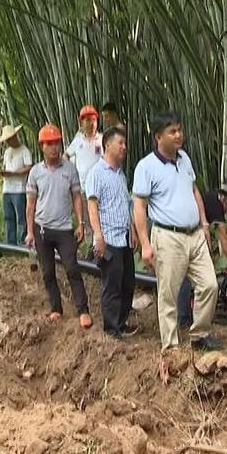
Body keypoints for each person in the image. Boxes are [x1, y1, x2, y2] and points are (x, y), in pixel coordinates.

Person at [132, 111, 221, 351]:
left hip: (194, 234)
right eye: (172, 131)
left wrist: (204, 224)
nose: (178, 135)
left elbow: (194, 191)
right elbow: (139, 207)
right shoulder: (146, 166)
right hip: (168, 236)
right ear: (158, 137)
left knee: (209, 285)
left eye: (179, 129)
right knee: (168, 294)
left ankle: (199, 335)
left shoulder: (184, 159)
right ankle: (170, 346)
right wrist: (145, 245)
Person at [25, 124, 93, 329]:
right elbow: (30, 204)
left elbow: (76, 198)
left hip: (64, 228)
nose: (54, 148)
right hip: (42, 228)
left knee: (72, 268)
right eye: (49, 144)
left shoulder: (70, 169)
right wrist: (29, 231)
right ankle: (56, 308)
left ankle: (83, 310)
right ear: (41, 146)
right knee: (47, 272)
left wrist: (80, 223)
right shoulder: (36, 172)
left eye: (56, 143)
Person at [85, 126, 139, 338]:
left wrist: (133, 230)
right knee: (112, 286)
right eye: (120, 143)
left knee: (128, 283)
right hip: (108, 238)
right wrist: (98, 236)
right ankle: (111, 329)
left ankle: (121, 322)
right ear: (107, 145)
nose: (124, 147)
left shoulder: (120, 175)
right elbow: (92, 206)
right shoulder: (96, 173)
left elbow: (127, 205)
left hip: (124, 237)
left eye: (125, 144)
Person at [177, 189, 227, 327]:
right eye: (226, 210)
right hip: (183, 236)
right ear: (224, 201)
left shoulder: (205, 197)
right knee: (189, 279)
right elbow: (223, 235)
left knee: (183, 278)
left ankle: (185, 314)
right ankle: (184, 318)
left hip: (180, 233)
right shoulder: (217, 203)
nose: (224, 213)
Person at [65, 105, 103, 249]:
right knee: (87, 220)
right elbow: (66, 156)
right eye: (87, 120)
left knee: (100, 220)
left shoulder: (102, 140)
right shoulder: (78, 141)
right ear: (81, 122)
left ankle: (100, 247)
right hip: (83, 188)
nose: (91, 123)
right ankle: (90, 248)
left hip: (100, 189)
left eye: (93, 120)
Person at [0, 124, 32, 245]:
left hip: (19, 190)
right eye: (6, 140)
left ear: (15, 136)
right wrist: (3, 172)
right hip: (7, 189)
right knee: (8, 218)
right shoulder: (7, 152)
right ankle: (10, 243)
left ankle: (22, 243)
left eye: (9, 139)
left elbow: (28, 168)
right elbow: (5, 166)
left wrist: (13, 174)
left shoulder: (24, 151)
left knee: (21, 218)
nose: (8, 142)